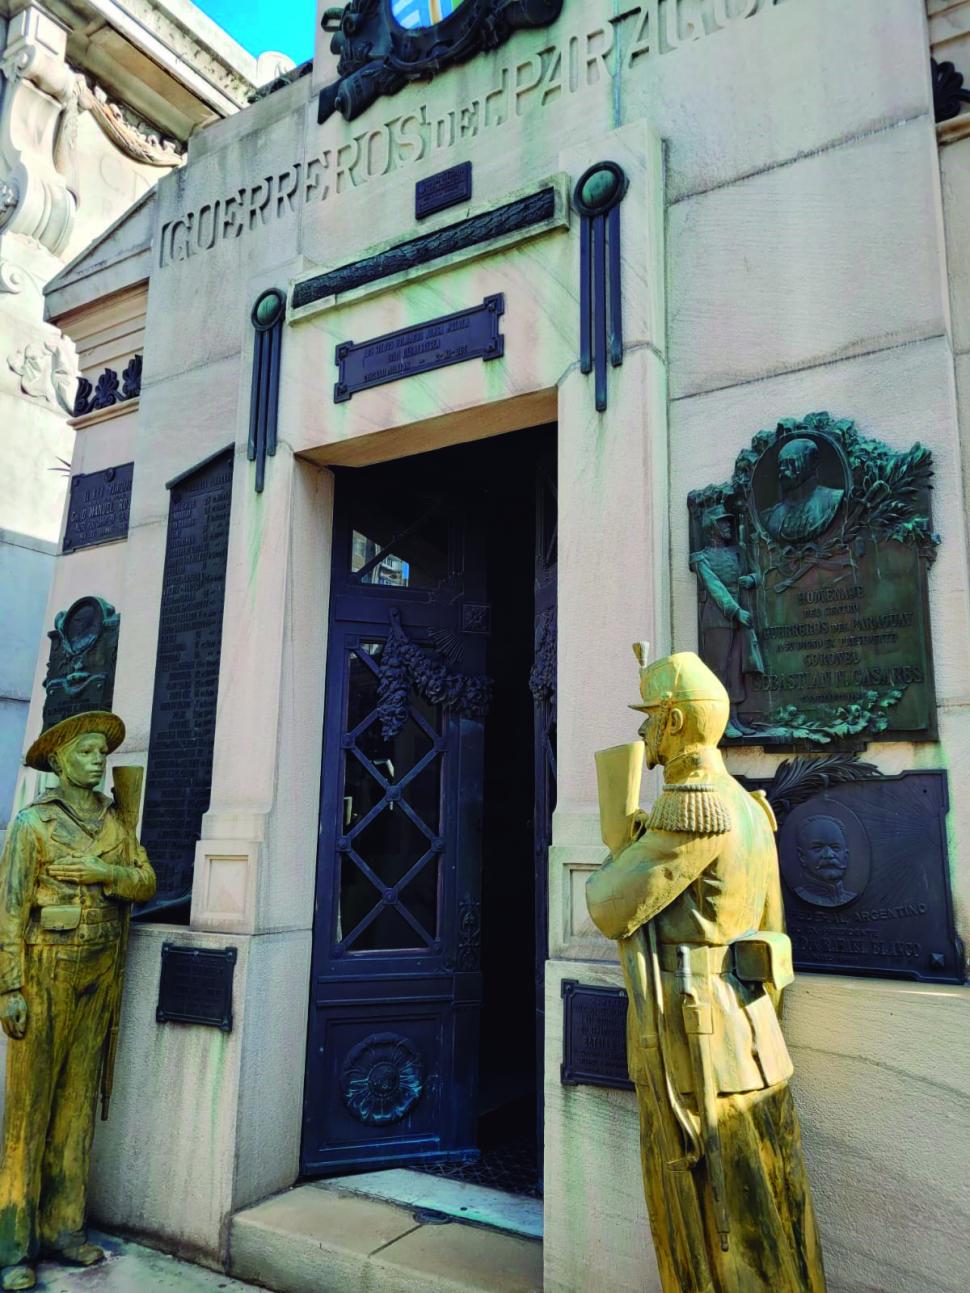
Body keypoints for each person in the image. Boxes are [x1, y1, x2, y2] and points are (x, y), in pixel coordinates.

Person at [587, 650, 826, 1293]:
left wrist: (624, 847)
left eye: (649, 720)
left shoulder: (694, 807)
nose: (641, 734)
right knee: (773, 1210)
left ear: (672, 723)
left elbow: (609, 905)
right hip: (749, 1037)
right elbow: (771, 928)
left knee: (721, 1223)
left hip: (696, 1043)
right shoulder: (751, 809)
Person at [0, 711, 155, 1291]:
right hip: (44, 973)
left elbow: (145, 882)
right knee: (29, 1112)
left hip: (101, 975)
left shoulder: (118, 822)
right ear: (58, 759)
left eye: (101, 753)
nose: (98, 760)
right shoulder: (32, 825)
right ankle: (14, 1245)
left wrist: (103, 870)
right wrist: (9, 987)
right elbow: (9, 911)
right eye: (87, 751)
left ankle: (64, 1229)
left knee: (75, 1109)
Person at [689, 503, 764, 736]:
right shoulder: (701, 559)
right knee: (718, 671)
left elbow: (756, 572)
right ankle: (720, 724)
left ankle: (734, 718)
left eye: (729, 522)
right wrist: (735, 611)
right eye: (722, 522)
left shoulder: (737, 552)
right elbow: (715, 588)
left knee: (734, 671)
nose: (728, 526)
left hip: (738, 615)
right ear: (712, 528)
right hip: (717, 618)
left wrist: (751, 580)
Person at [763, 438, 843, 544]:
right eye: (781, 465)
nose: (783, 470)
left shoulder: (834, 500)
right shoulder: (772, 516)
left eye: (790, 462)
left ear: (812, 461)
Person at [793, 815, 856, 908]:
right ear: (802, 856)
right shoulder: (799, 894)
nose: (829, 855)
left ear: (846, 856)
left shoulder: (850, 897)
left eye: (835, 847)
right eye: (818, 847)